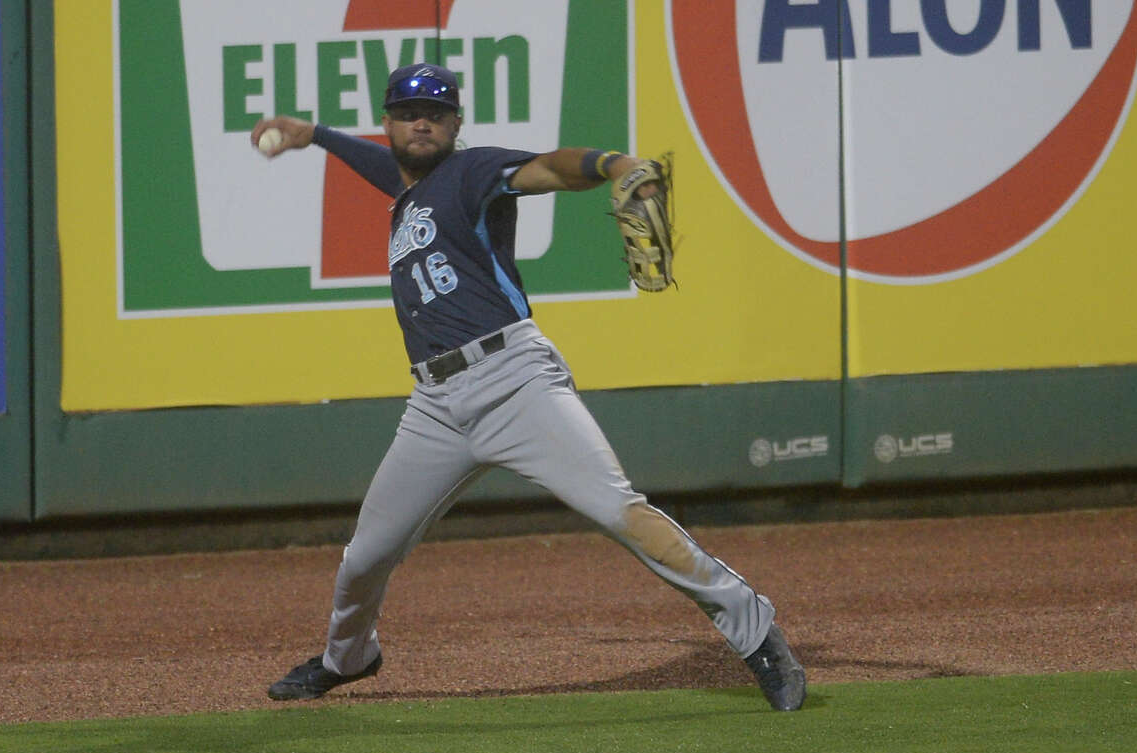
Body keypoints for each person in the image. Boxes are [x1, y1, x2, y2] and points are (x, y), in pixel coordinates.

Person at [251, 63, 806, 711]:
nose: (419, 121)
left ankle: (756, 631)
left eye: (434, 111)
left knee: (619, 511)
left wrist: (610, 162)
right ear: (389, 124)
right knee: (365, 557)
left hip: (514, 381)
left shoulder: (473, 170)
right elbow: (385, 169)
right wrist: (314, 134)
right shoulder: (408, 191)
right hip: (435, 405)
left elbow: (549, 167)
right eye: (405, 112)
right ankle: (349, 657)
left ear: (457, 124)